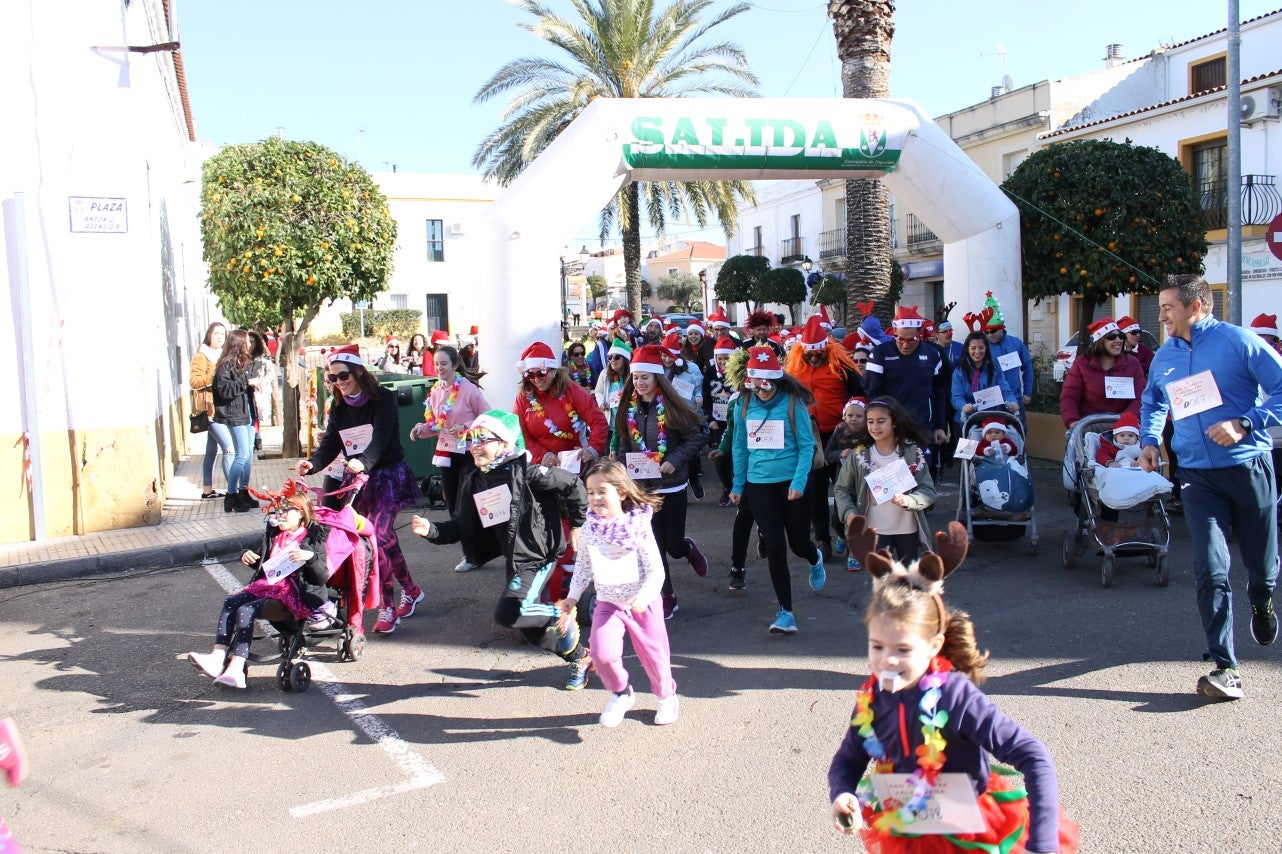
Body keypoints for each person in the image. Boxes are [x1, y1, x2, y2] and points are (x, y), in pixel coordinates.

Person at [828, 544, 1079, 853]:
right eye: (877, 646)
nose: (888, 660)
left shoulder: (956, 696)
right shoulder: (872, 699)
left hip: (969, 833)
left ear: (934, 646)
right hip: (908, 828)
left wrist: (1042, 845)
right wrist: (842, 792)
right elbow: (849, 757)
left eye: (903, 649)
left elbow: (1033, 754)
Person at [1139, 274, 1282, 699]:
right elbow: (1153, 401)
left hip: (1247, 468)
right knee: (1210, 568)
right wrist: (1150, 440)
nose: (1161, 316)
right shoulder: (1164, 355)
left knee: (1261, 567)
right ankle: (1225, 666)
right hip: (1197, 476)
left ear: (1196, 306)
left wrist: (1246, 422)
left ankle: (1262, 599)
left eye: (1168, 308)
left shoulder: (1239, 342)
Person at [410, 410, 594, 691]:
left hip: (537, 555)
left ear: (505, 443)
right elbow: (463, 524)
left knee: (509, 613)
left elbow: (572, 483)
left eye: (483, 438)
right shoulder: (475, 479)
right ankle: (580, 658)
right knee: (529, 630)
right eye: (472, 438)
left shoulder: (529, 472)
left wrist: (578, 525)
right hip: (514, 556)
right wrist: (432, 530)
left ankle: (559, 612)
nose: (475, 445)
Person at [298, 344, 422, 636]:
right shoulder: (339, 405)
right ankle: (411, 590)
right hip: (358, 480)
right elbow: (332, 442)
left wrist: (363, 462)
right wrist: (312, 464)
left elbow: (381, 438)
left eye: (343, 376)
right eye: (333, 378)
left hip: (388, 476)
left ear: (357, 373)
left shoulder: (383, 399)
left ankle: (387, 606)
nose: (339, 382)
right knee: (384, 539)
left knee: (379, 537)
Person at [558, 459, 679, 726]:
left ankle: (666, 697)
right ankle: (621, 693)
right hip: (608, 603)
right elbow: (583, 566)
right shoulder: (589, 529)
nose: (595, 498)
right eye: (590, 492)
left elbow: (656, 570)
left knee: (655, 656)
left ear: (621, 492)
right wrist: (573, 597)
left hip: (642, 603)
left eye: (602, 491)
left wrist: (644, 596)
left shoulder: (638, 526)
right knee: (602, 654)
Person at [186, 489, 332, 689]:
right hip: (268, 587)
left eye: (285, 511)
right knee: (231, 602)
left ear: (300, 513)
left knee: (246, 610)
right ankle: (217, 657)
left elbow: (321, 577)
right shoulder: (275, 535)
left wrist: (311, 558)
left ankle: (236, 668)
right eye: (277, 511)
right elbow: (266, 566)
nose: (279, 515)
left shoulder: (312, 538)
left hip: (294, 595)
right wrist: (248, 556)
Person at [730, 346, 825, 634]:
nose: (761, 390)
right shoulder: (743, 403)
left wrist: (798, 482)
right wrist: (738, 484)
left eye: (766, 383)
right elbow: (739, 446)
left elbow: (807, 446)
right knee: (774, 546)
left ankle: (814, 557)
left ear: (775, 379)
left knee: (798, 544)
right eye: (755, 383)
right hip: (759, 485)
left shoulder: (793, 402)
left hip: (792, 483)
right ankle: (786, 613)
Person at [612, 345, 709, 619]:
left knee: (673, 546)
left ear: (657, 378)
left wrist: (674, 460)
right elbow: (624, 442)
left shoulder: (673, 406)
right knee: (653, 548)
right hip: (642, 489)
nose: (639, 383)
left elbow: (697, 436)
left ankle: (687, 548)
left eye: (645, 377)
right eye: (636, 377)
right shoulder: (628, 408)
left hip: (672, 486)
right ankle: (667, 597)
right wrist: (621, 469)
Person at [785, 315, 865, 560]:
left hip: (840, 436)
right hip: (810, 437)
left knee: (844, 487)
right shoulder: (793, 370)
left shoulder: (842, 367)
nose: (813, 357)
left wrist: (850, 420)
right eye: (809, 354)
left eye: (818, 353)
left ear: (826, 349)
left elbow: (861, 394)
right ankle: (822, 538)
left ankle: (841, 530)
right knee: (816, 490)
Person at [409, 345, 491, 571]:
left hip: (469, 454)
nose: (439, 368)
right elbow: (436, 425)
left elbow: (487, 418)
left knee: (466, 505)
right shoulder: (435, 391)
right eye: (436, 364)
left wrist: (466, 427)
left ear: (455, 365)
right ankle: (470, 553)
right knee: (453, 504)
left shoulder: (469, 389)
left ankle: (475, 554)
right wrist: (420, 429)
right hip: (446, 455)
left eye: (444, 364)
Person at [834, 397, 937, 565]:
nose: (875, 427)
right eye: (870, 421)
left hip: (907, 528)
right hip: (874, 529)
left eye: (881, 421)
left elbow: (928, 490)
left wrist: (910, 500)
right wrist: (849, 513)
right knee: (881, 577)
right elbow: (841, 488)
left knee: (908, 576)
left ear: (894, 422)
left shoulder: (912, 452)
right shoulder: (859, 454)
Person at [865, 306, 949, 472]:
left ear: (920, 335)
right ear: (894, 332)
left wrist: (940, 425)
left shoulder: (932, 353)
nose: (905, 344)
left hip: (923, 426)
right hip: (892, 427)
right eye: (900, 339)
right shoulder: (880, 353)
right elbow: (873, 394)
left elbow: (939, 393)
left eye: (911, 340)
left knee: (924, 475)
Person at [514, 341, 610, 471]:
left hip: (573, 465)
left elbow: (598, 421)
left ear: (553, 371)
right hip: (539, 467)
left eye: (541, 374)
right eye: (530, 375)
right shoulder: (524, 396)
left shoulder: (572, 390)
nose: (536, 380)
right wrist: (543, 456)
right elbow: (519, 433)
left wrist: (592, 449)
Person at [1059, 318, 1145, 430]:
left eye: (1121, 336)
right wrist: (1073, 421)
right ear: (1100, 340)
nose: (1118, 340)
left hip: (1124, 428)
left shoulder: (1132, 363)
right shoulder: (1082, 363)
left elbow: (1141, 396)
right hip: (1089, 426)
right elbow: (1070, 396)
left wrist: (1125, 420)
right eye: (1112, 336)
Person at [211, 329, 258, 513]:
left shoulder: (243, 362)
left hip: (248, 413)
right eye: (247, 341)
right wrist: (246, 381)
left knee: (248, 456)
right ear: (238, 343)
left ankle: (243, 491)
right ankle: (231, 495)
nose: (250, 344)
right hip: (235, 415)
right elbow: (226, 391)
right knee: (242, 455)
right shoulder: (226, 365)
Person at [974, 292, 1035, 430]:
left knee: (1019, 432)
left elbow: (1027, 367)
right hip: (991, 401)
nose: (990, 335)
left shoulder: (1016, 343)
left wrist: (1028, 392)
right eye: (986, 332)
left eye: (993, 331)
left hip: (1014, 398)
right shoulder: (982, 347)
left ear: (1002, 328)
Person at [191, 321, 232, 500]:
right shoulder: (202, 356)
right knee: (229, 449)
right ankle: (234, 491)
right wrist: (213, 374)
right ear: (209, 335)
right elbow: (194, 382)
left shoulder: (223, 355)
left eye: (222, 334)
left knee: (211, 451)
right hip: (210, 411)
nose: (219, 337)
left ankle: (207, 490)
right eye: (216, 333)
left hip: (222, 409)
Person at [951, 331, 1020, 429]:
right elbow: (956, 397)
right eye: (973, 348)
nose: (977, 352)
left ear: (987, 348)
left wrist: (1012, 402)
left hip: (992, 420)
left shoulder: (995, 370)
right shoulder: (959, 372)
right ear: (967, 349)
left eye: (981, 348)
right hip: (966, 420)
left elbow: (1006, 391)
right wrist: (963, 406)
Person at [704, 336, 739, 506]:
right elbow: (705, 396)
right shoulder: (711, 372)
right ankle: (727, 487)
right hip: (718, 422)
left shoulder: (739, 372)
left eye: (727, 358)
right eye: (720, 358)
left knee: (736, 454)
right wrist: (710, 419)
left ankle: (738, 487)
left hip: (736, 420)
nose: (723, 362)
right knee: (720, 456)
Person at [593, 340, 632, 428]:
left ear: (625, 359)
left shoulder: (632, 375)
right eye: (610, 357)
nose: (612, 360)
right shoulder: (604, 373)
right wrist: (601, 403)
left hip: (628, 422)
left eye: (617, 357)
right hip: (610, 422)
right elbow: (598, 391)